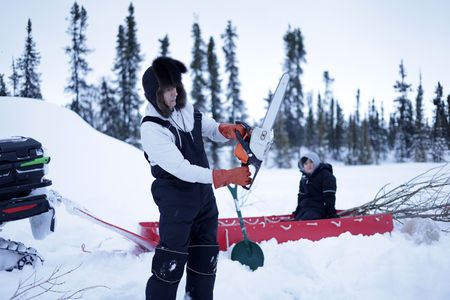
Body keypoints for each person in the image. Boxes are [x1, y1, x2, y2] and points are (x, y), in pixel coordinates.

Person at [140, 56, 252, 300]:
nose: (175, 93)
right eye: (168, 90)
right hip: (176, 202)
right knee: (170, 263)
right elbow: (182, 169)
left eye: (176, 86)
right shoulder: (151, 128)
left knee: (205, 259)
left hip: (203, 199)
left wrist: (227, 130)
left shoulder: (184, 108)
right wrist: (225, 176)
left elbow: (208, 128)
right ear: (155, 94)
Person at [292, 151, 338, 220]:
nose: (309, 165)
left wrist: (331, 214)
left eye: (311, 162)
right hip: (306, 208)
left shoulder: (326, 175)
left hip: (319, 209)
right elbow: (301, 196)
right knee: (297, 220)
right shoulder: (304, 178)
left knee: (304, 221)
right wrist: (298, 210)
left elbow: (329, 196)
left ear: (316, 162)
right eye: (306, 163)